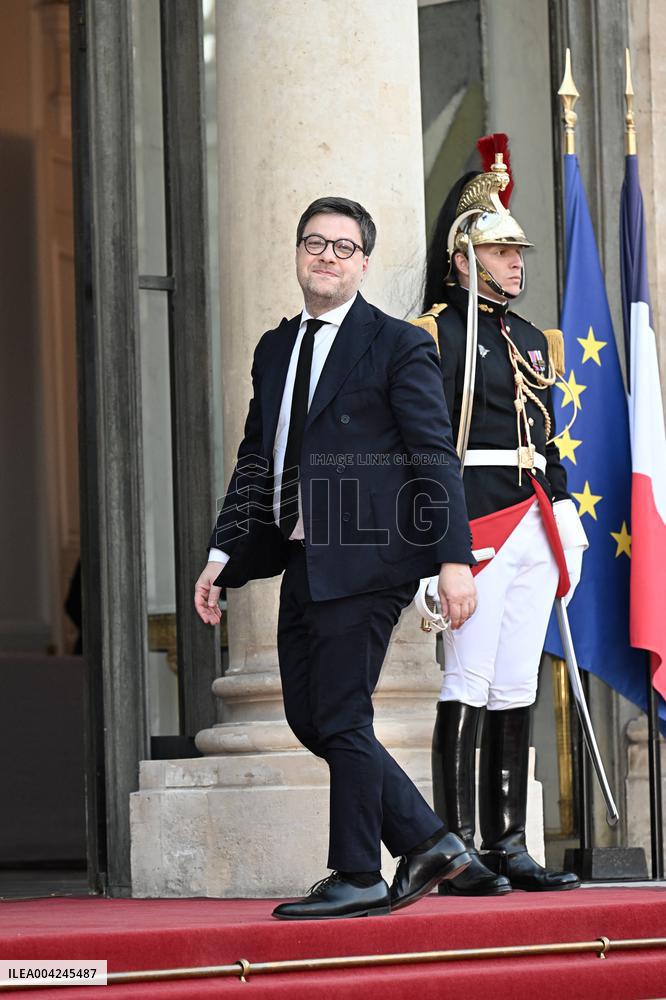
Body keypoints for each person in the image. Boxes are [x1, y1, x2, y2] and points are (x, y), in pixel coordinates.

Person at [194, 196, 477, 920]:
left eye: (343, 247)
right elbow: (258, 458)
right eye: (315, 243)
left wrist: (455, 560)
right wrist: (224, 551)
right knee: (310, 717)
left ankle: (359, 874)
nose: (327, 256)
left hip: (371, 555)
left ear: (364, 263)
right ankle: (427, 841)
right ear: (297, 255)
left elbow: (433, 455)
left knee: (343, 714)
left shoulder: (397, 344)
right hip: (304, 556)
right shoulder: (274, 348)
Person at [416, 137, 588, 896]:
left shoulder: (526, 337)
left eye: (519, 250)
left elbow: (546, 445)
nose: (518, 262)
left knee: (516, 682)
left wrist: (565, 525)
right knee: (469, 679)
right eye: (501, 249)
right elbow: (427, 453)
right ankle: (454, 849)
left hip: (532, 522)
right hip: (474, 522)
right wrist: (437, 550)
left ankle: (508, 841)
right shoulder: (433, 334)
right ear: (462, 256)